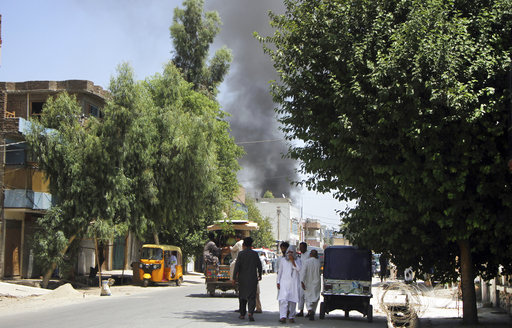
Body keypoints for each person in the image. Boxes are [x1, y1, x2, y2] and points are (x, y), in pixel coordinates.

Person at [233, 237, 262, 322]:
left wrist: (234, 278)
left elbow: (237, 267)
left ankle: (242, 314)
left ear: (243, 245)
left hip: (242, 279)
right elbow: (259, 266)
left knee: (242, 296)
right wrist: (260, 275)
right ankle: (250, 313)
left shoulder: (241, 254)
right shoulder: (255, 254)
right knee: (252, 297)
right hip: (253, 279)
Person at [277, 245, 301, 323]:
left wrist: (293, 261)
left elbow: (299, 269)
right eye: (289, 252)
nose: (290, 254)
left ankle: (291, 316)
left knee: (293, 300)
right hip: (284, 283)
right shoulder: (283, 260)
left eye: (291, 252)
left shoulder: (298, 260)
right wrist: (278, 282)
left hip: (293, 283)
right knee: (283, 300)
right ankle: (283, 316)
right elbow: (279, 272)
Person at [300, 250, 321, 320]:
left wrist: (302, 282)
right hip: (316, 282)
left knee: (308, 297)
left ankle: (309, 310)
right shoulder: (318, 262)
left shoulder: (306, 262)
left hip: (308, 281)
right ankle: (313, 311)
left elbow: (303, 272)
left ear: (311, 254)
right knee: (316, 297)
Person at [296, 242, 309, 317]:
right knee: (300, 296)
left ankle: (309, 311)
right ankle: (301, 310)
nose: (301, 249)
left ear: (305, 247)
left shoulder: (308, 255)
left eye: (302, 247)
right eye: (300, 247)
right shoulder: (300, 256)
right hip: (300, 277)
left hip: (307, 278)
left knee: (307, 296)